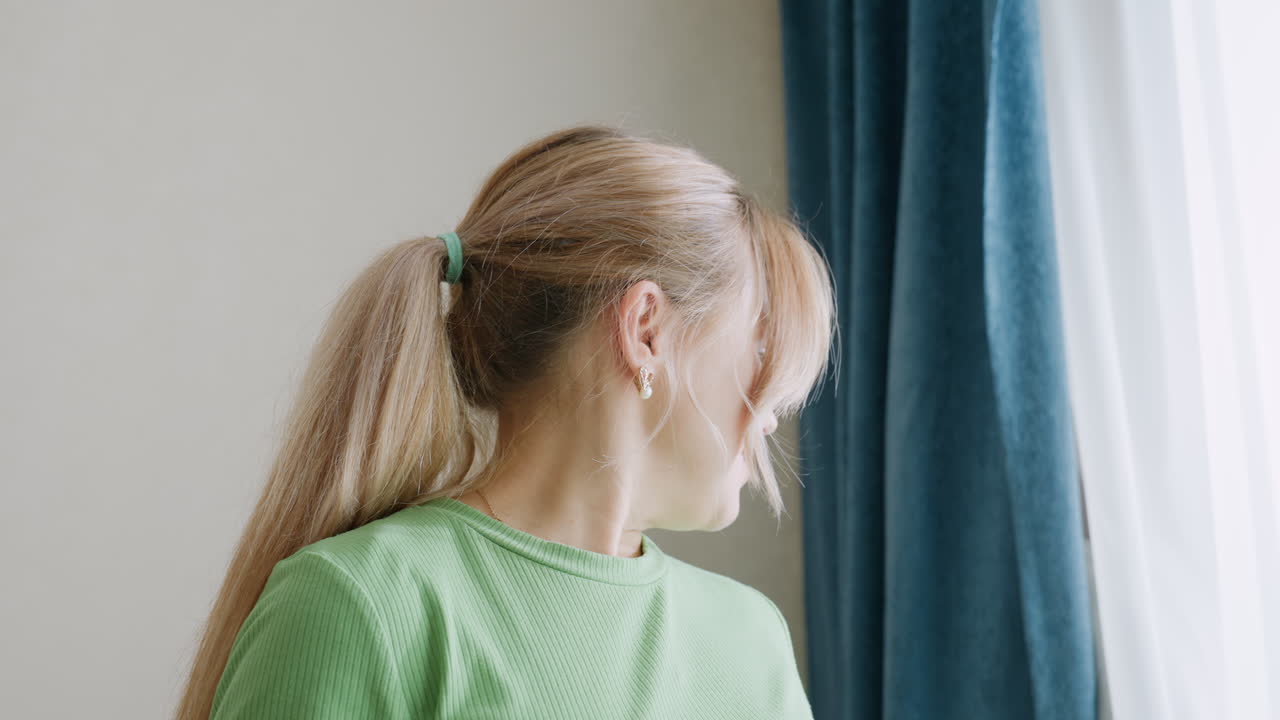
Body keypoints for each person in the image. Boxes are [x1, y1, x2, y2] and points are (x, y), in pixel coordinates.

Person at [175, 124, 836, 719]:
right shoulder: (360, 606)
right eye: (758, 346)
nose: (776, 406)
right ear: (644, 330)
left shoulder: (751, 641)